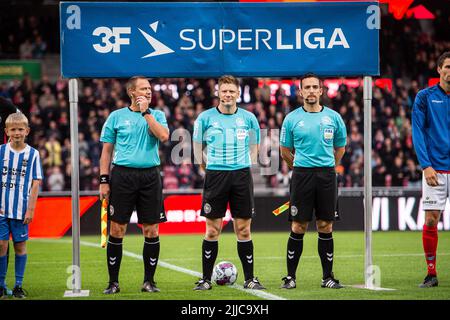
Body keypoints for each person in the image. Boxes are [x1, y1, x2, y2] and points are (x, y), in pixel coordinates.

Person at [192, 75, 264, 290]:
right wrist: (210, 168)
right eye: (224, 91)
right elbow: (197, 149)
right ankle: (205, 280)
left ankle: (250, 279)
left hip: (241, 176)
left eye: (232, 91)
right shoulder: (205, 118)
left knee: (243, 229)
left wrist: (244, 164)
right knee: (212, 230)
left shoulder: (249, 118)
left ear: (238, 94)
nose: (228, 95)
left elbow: (255, 146)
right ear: (218, 93)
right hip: (216, 176)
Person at [99, 76, 169, 294]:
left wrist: (146, 112)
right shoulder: (116, 116)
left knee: (151, 229)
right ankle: (113, 282)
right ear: (131, 92)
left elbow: (164, 136)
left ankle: (149, 281)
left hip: (150, 176)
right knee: (117, 229)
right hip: (122, 176)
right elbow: (106, 152)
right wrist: (103, 180)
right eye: (143, 88)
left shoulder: (156, 114)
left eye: (149, 88)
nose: (148, 92)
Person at [279, 73, 347, 289]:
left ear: (321, 91)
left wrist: (328, 166)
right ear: (300, 92)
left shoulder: (334, 118)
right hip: (302, 175)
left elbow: (340, 148)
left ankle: (327, 277)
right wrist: (300, 167)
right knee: (299, 225)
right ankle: (290, 277)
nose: (310, 91)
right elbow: (285, 151)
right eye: (306, 87)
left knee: (325, 225)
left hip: (327, 175)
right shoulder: (291, 119)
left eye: (314, 87)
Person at [412, 51, 450, 288]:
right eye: (448, 66)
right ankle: (431, 273)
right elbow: (417, 132)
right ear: (439, 69)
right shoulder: (424, 97)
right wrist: (425, 165)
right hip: (435, 168)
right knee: (430, 221)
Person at [0, 113, 42, 298]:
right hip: (1, 209)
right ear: (7, 131)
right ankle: (1, 285)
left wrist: (30, 209)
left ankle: (18, 285)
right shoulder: (1, 151)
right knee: (1, 245)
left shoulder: (33, 154)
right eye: (13, 129)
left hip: (21, 210)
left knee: (19, 247)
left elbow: (35, 182)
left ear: (27, 131)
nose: (17, 133)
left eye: (20, 129)